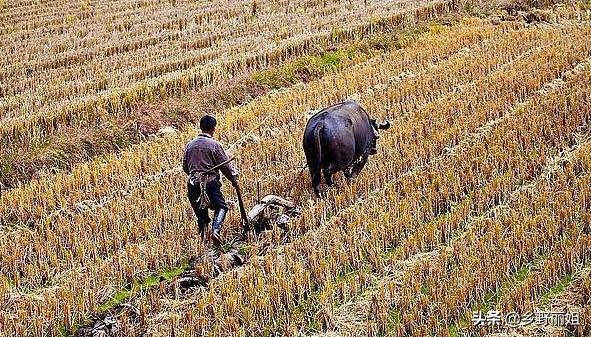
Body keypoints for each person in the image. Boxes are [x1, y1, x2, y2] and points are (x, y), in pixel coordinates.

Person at [183, 115, 240, 245]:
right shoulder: (215, 145)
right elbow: (225, 166)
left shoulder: (189, 146)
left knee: (201, 214)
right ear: (213, 129)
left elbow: (185, 167)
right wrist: (233, 179)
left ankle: (202, 240)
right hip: (210, 183)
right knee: (221, 207)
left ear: (200, 127)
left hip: (193, 184)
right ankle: (215, 231)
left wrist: (196, 175)